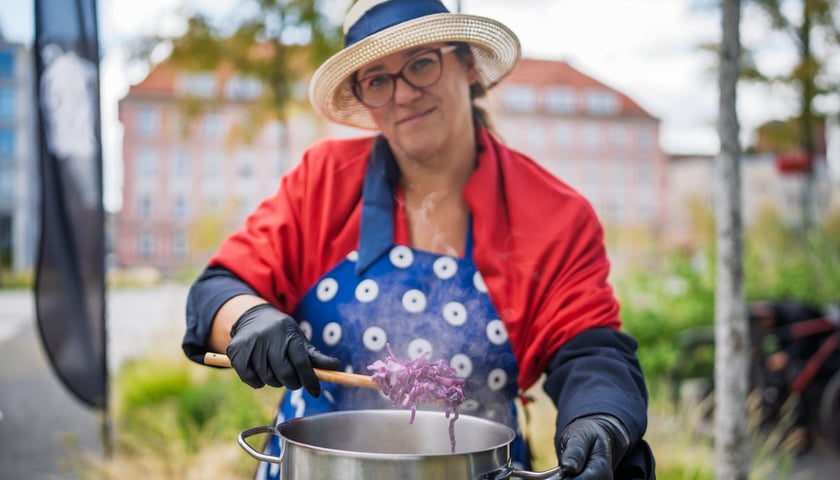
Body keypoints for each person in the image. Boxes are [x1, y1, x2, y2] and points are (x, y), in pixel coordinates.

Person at [182, 0, 656, 478]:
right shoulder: (322, 181)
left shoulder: (553, 213)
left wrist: (600, 418)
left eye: (421, 64)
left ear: (467, 64)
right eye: (378, 80)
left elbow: (590, 350)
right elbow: (219, 288)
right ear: (364, 97)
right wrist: (249, 318)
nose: (404, 94)